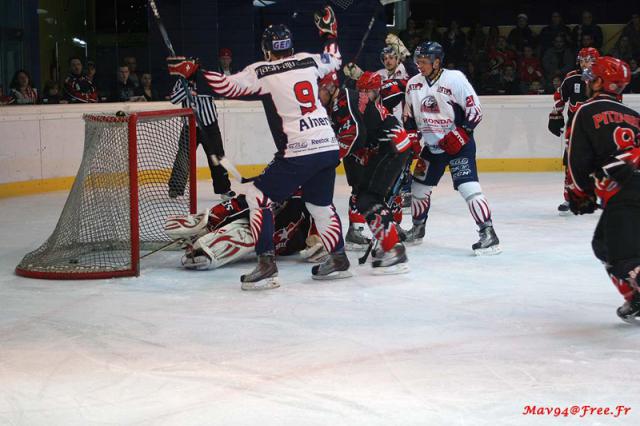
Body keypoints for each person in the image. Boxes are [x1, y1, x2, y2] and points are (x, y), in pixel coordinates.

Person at [197, 7, 351, 289]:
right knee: (319, 205)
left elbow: (225, 87)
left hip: (299, 149)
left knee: (257, 196)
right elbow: (336, 58)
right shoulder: (308, 60)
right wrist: (329, 33)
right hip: (327, 144)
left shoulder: (262, 71)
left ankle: (266, 264)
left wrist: (194, 71)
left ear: (267, 49)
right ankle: (339, 258)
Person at [403, 42, 501, 255]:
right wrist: (411, 138)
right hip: (432, 147)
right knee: (418, 189)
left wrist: (462, 132)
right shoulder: (412, 84)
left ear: (437, 62)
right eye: (417, 61)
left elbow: (475, 110)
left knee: (468, 188)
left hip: (459, 146)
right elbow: (409, 117)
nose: (419, 65)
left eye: (424, 62)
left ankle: (488, 233)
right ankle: (418, 229)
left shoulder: (455, 79)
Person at [565, 56, 639, 323]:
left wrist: (580, 193)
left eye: (591, 77)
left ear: (599, 82)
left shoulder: (586, 110)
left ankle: (637, 293)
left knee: (623, 256)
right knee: (603, 245)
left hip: (625, 190)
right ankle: (635, 298)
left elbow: (577, 160)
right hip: (630, 185)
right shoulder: (634, 116)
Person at [318, 70, 415, 273]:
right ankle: (388, 244)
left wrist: (329, 158)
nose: (316, 97)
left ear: (329, 88)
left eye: (319, 91)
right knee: (366, 196)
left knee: (368, 198)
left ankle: (393, 251)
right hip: (388, 147)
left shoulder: (343, 102)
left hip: (391, 147)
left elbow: (356, 136)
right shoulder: (341, 101)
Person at [165, 191, 329, 270]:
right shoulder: (263, 199)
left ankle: (209, 241)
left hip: (281, 242)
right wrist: (210, 220)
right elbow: (238, 204)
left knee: (247, 233)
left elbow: (321, 226)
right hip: (264, 232)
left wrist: (317, 242)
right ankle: (205, 228)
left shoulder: (306, 205)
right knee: (249, 213)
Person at [166, 58, 233, 200]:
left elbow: (215, 92)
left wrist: (196, 91)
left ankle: (224, 189)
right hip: (189, 127)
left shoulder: (207, 79)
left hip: (209, 126)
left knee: (217, 157)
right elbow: (174, 99)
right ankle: (175, 188)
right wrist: (188, 90)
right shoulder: (181, 81)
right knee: (183, 157)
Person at [547, 47, 599, 215]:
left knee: (600, 163)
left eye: (589, 60)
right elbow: (560, 97)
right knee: (571, 163)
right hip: (575, 128)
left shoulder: (602, 77)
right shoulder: (571, 78)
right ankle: (569, 198)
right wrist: (556, 116)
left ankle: (600, 196)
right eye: (582, 59)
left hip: (597, 128)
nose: (585, 63)